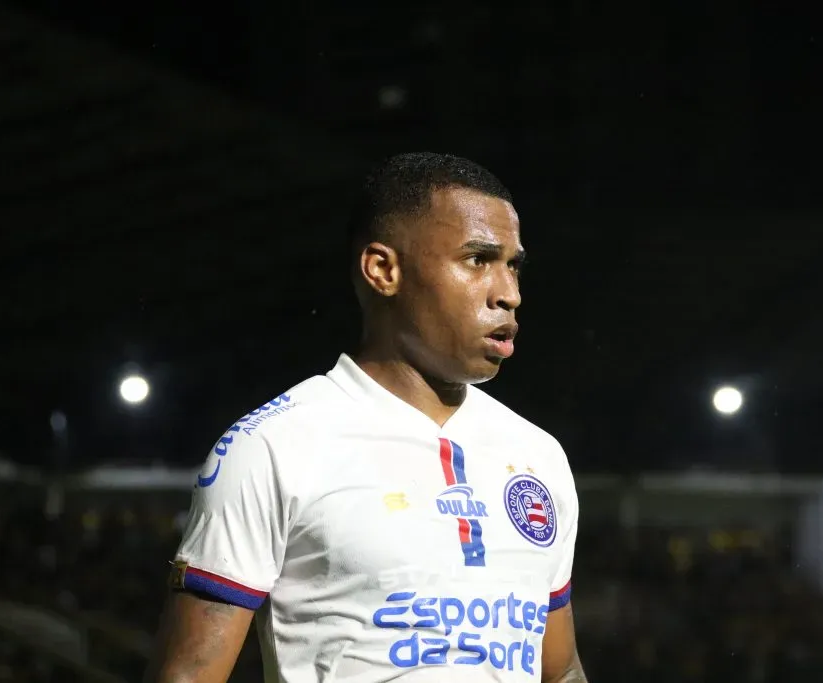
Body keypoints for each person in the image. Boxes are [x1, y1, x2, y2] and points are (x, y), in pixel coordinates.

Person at [145, 152, 587, 683]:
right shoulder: (275, 445)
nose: (509, 293)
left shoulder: (538, 456)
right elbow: (188, 674)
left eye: (513, 265)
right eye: (477, 260)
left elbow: (560, 670)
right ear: (383, 270)